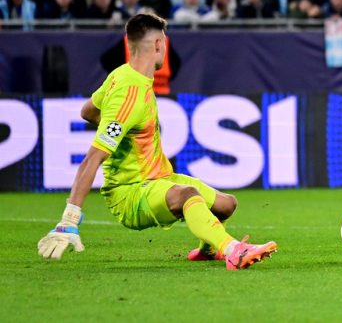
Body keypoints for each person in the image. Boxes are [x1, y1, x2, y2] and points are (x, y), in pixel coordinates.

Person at [37, 14, 277, 269]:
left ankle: (208, 249)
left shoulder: (121, 74)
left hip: (159, 178)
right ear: (158, 45)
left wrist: (120, 132)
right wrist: (70, 219)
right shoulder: (130, 95)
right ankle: (233, 250)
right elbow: (92, 158)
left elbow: (87, 112)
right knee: (188, 195)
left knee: (226, 204)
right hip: (131, 192)